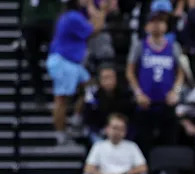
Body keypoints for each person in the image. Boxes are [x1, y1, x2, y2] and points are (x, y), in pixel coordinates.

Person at [126, 1, 185, 151]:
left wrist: (176, 91)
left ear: (165, 26)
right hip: (146, 102)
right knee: (144, 142)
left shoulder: (173, 47)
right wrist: (138, 92)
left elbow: (181, 72)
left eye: (160, 22)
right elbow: (130, 71)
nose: (157, 26)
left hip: (167, 102)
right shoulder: (140, 46)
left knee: (169, 142)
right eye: (153, 22)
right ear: (147, 26)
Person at [47, 0, 107, 145]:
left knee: (91, 86)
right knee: (61, 99)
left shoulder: (75, 16)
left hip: (72, 62)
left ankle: (76, 118)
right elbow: (96, 28)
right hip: (63, 60)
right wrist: (102, 10)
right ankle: (60, 133)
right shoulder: (72, 17)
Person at [81, 114, 149, 174]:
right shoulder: (99, 146)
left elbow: (143, 168)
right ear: (107, 129)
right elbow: (88, 168)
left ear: (125, 132)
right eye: (114, 128)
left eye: (121, 129)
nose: (117, 132)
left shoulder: (131, 146)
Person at [22, 0, 63, 106]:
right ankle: (39, 92)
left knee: (59, 56)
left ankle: (61, 90)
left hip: (52, 18)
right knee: (32, 58)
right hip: (30, 21)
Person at [83, 65, 134, 143]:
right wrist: (104, 131)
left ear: (116, 78)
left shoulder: (125, 94)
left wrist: (122, 131)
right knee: (96, 141)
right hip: (100, 131)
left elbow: (131, 117)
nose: (109, 81)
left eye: (111, 77)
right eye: (105, 78)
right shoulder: (93, 96)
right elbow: (89, 120)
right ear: (100, 80)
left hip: (122, 131)